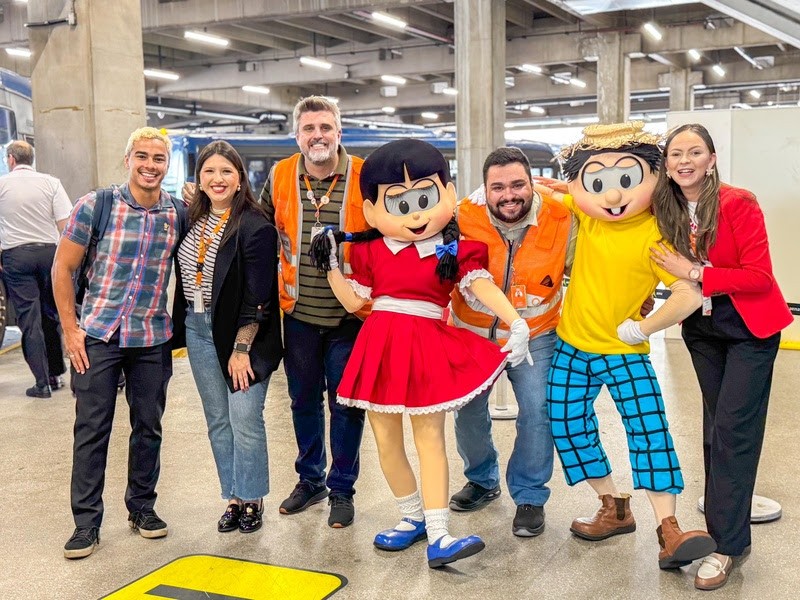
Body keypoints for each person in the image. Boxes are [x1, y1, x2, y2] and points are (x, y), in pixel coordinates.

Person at [310, 138, 532, 568]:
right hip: (379, 346)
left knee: (430, 440)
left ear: (448, 194)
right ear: (371, 210)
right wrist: (332, 266)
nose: (415, 214)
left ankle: (440, 532)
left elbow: (478, 284)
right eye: (399, 203)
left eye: (425, 199)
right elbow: (355, 302)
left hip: (426, 344)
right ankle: (411, 518)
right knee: (386, 441)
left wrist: (515, 320)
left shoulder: (455, 249)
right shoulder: (370, 250)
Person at [546, 121, 716, 570]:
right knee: (566, 424)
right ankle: (613, 507)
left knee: (648, 430)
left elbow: (687, 294)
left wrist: (644, 328)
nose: (613, 194)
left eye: (626, 178)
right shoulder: (586, 215)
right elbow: (555, 192)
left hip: (624, 353)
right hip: (571, 346)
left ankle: (669, 529)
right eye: (598, 182)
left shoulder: (655, 235)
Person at [651, 123, 793, 591]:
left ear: (711, 159)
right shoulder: (666, 207)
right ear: (666, 164)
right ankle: (724, 516)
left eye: (695, 152)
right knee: (715, 429)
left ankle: (727, 545)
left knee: (734, 430)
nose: (685, 161)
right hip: (703, 329)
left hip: (749, 328)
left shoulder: (737, 202)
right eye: (676, 154)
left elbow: (759, 276)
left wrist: (694, 271)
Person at [51, 127, 187, 559]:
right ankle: (86, 523)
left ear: (167, 165)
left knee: (148, 426)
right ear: (128, 160)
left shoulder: (178, 213)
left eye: (158, 158)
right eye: (142, 156)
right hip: (98, 336)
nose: (150, 165)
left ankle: (142, 508)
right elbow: (61, 267)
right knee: (92, 429)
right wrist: (71, 330)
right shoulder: (97, 205)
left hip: (151, 337)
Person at [448, 147, 574, 537]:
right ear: (484, 189)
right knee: (467, 412)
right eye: (498, 187)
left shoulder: (562, 217)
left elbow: (588, 266)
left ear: (532, 183)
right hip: (472, 333)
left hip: (537, 334)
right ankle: (482, 479)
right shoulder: (461, 216)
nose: (508, 195)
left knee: (537, 410)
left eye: (518, 185)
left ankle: (530, 495)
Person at [262, 95, 368, 528]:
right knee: (303, 401)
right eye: (309, 129)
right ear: (297, 136)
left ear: (339, 132)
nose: (317, 135)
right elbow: (260, 229)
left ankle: (342, 488)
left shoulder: (364, 175)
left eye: (325, 127)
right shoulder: (280, 175)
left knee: (346, 405)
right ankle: (310, 480)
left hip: (351, 317)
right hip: (299, 315)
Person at [176, 141, 282, 534]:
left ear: (240, 180)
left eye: (226, 171)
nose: (217, 179)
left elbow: (259, 296)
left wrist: (242, 348)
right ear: (199, 178)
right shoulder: (191, 218)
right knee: (218, 419)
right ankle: (233, 497)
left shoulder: (255, 225)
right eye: (209, 171)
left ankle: (252, 497)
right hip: (199, 329)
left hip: (243, 336)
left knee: (244, 417)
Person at [0, 140, 70, 397]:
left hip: (16, 257)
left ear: (10, 159)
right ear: (31, 159)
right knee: (51, 314)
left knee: (29, 319)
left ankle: (42, 383)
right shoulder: (51, 183)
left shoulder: (2, 185)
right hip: (50, 254)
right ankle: (55, 374)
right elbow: (65, 224)